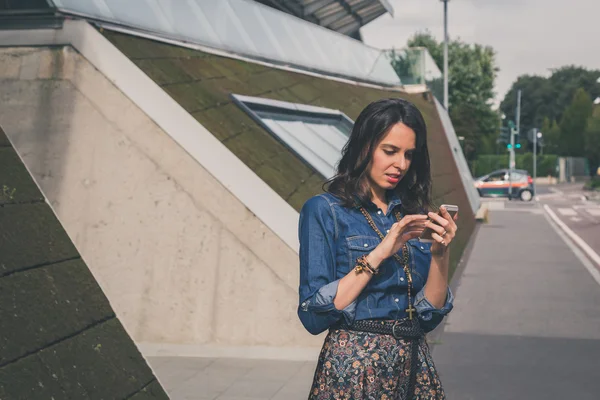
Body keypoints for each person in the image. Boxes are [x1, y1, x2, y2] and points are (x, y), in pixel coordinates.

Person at [298, 98, 457, 399]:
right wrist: (380, 252)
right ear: (364, 147)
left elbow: (430, 316)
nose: (401, 164)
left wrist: (440, 252)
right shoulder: (324, 210)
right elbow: (312, 315)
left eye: (409, 155)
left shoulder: (412, 214)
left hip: (414, 366)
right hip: (354, 368)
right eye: (390, 151)